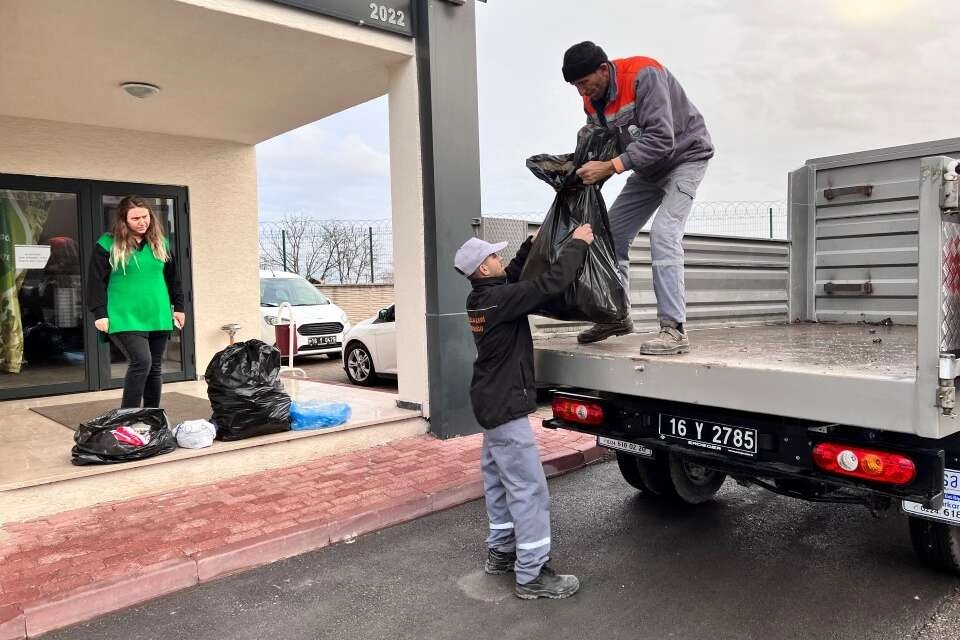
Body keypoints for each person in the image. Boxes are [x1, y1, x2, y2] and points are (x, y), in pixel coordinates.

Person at [456, 223, 594, 600]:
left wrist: (525, 249)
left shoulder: (483, 298)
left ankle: (501, 553)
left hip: (489, 403)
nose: (500, 259)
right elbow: (548, 284)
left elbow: (513, 279)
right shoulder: (501, 301)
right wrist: (578, 245)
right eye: (495, 256)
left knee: (499, 481)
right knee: (528, 489)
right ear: (483, 269)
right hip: (505, 407)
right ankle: (532, 574)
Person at [562, 41, 714, 354]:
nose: (581, 93)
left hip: (685, 158)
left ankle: (674, 330)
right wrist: (575, 165)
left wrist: (610, 167)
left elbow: (662, 139)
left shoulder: (644, 75)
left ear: (603, 70)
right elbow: (603, 144)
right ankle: (616, 316)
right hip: (647, 170)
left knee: (663, 233)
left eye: (583, 83)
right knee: (609, 235)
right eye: (575, 86)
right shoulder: (592, 101)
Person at [87, 196, 185, 408]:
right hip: (124, 315)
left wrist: (179, 307)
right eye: (135, 218)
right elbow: (95, 282)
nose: (142, 222)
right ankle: (128, 417)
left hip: (157, 313)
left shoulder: (161, 243)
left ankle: (152, 416)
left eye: (145, 216)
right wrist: (100, 313)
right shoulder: (107, 244)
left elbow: (173, 279)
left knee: (155, 367)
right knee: (142, 361)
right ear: (124, 220)